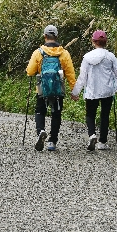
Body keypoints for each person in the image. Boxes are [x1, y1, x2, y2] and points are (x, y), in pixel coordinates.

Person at [25, 24, 77, 152]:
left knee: (40, 111)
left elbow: (30, 72)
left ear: (45, 36)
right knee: (56, 114)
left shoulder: (38, 53)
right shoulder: (64, 53)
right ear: (56, 36)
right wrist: (74, 90)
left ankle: (41, 131)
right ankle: (52, 142)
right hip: (58, 89)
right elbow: (70, 73)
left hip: (42, 89)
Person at [72, 29, 117, 151]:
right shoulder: (110, 56)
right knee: (105, 115)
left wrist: (75, 92)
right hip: (107, 91)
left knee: (90, 114)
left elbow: (82, 77)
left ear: (93, 41)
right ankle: (102, 143)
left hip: (92, 90)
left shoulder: (87, 57)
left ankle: (92, 135)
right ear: (106, 42)